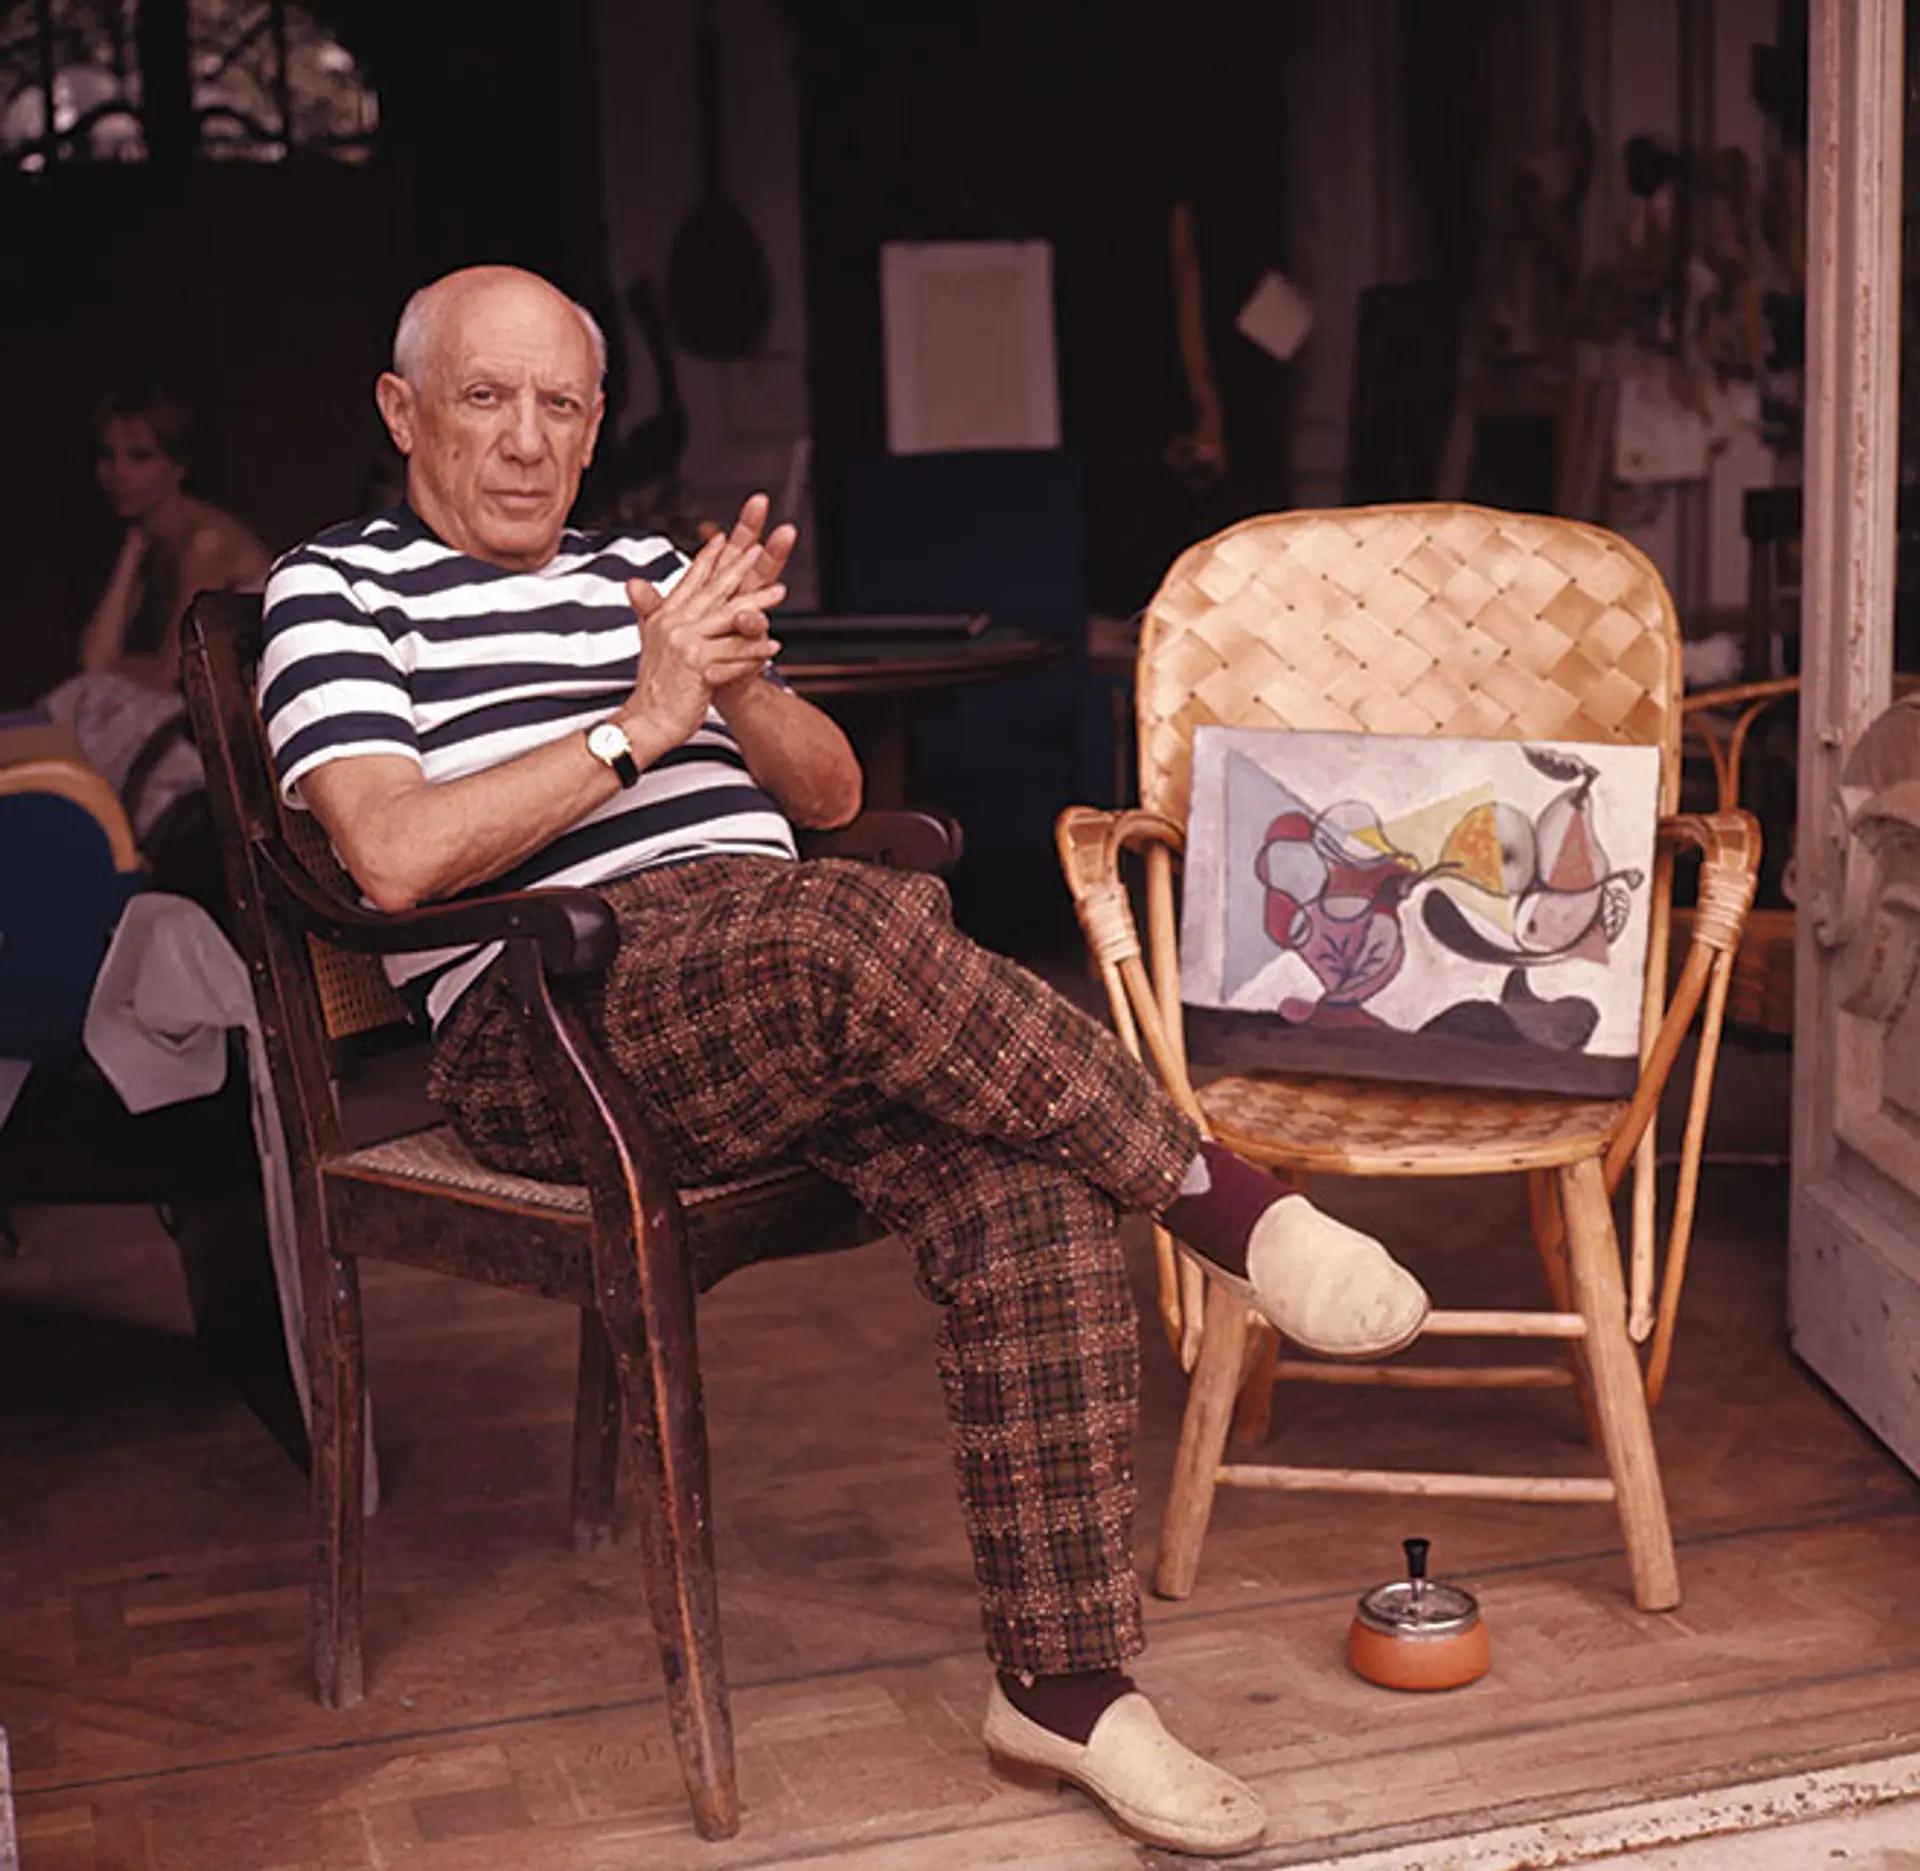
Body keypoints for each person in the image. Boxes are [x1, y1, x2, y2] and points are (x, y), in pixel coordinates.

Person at [258, 265, 1430, 1857]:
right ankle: (1222, 1202)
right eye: (485, 397)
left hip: (782, 981)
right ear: (403, 411)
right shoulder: (334, 591)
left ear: (594, 429)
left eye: (560, 405)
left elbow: (821, 798)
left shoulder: (647, 573)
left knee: (1022, 1172)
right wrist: (638, 723)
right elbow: (391, 858)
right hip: (550, 1021)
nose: (526, 440)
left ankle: (1067, 1688)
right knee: (850, 928)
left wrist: (737, 685)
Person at [80, 383, 270, 693]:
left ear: (178, 464)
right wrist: (131, 552)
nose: (119, 472)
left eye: (140, 457)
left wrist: (118, 668)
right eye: (107, 456)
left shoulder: (205, 542)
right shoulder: (146, 541)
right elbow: (95, 659)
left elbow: (172, 672)